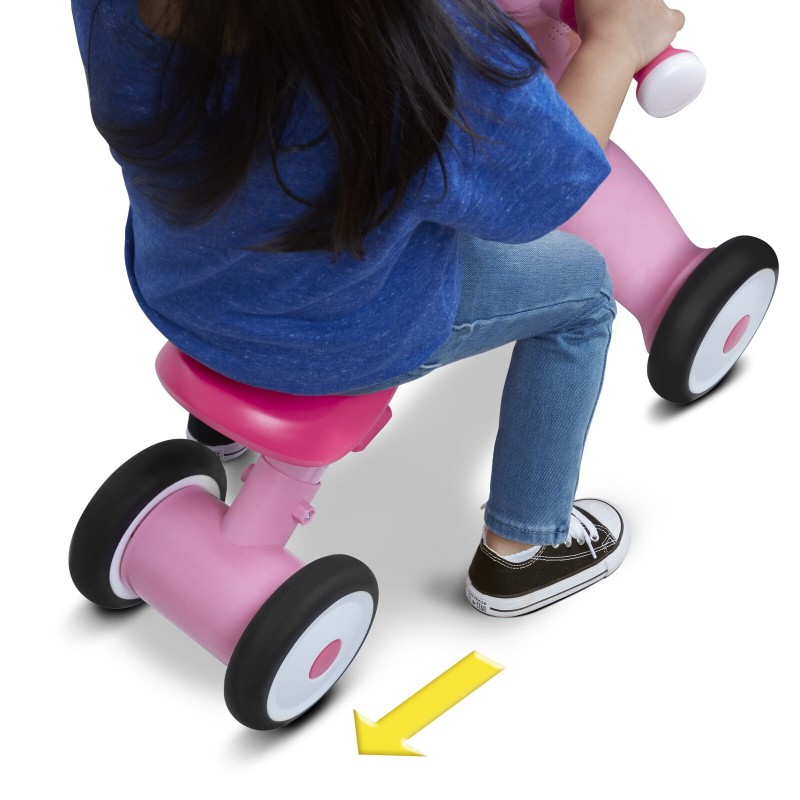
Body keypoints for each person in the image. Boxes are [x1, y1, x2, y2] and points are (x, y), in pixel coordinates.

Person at [71, 0, 684, 616]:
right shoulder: (416, 41)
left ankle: (221, 430)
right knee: (585, 287)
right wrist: (615, 42)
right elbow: (546, 193)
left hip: (185, 289)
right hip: (348, 336)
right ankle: (523, 547)